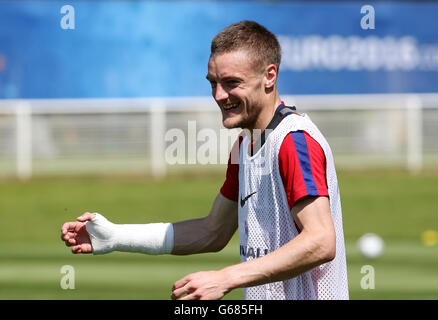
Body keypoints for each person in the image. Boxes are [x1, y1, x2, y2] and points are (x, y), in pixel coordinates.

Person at [60, 20, 349, 300]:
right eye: (213, 83)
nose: (219, 95)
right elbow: (212, 231)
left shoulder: (293, 140)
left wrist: (225, 278)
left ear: (269, 76)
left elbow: (321, 241)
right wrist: (115, 237)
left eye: (232, 83)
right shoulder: (246, 144)